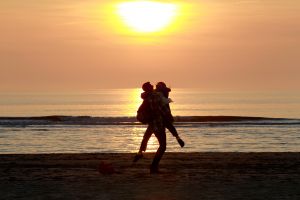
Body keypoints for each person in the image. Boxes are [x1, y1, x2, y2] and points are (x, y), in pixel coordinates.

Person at [134, 82, 184, 173]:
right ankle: (153, 167)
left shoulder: (150, 96)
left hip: (152, 123)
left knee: (146, 137)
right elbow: (162, 112)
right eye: (166, 91)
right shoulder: (157, 97)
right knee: (163, 146)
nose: (167, 93)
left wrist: (177, 136)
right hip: (158, 124)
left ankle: (140, 153)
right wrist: (170, 117)